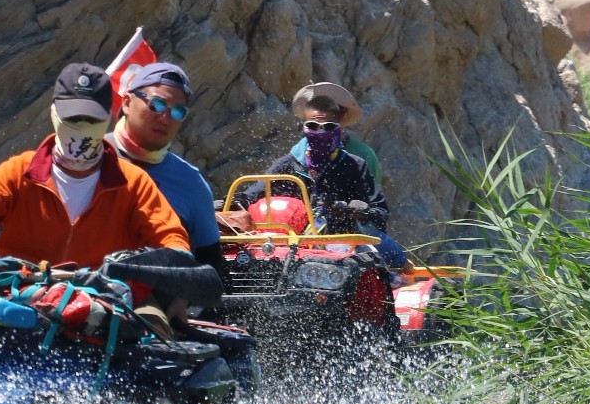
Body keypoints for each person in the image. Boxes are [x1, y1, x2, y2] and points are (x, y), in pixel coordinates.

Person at [0, 63, 188, 266]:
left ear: (108, 118)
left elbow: (169, 236)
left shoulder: (134, 183)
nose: (81, 127)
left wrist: (180, 266)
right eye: (73, 118)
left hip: (101, 309)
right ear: (53, 114)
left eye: (91, 120)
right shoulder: (20, 171)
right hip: (13, 298)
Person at [247, 88, 407, 268]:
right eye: (313, 126)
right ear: (303, 127)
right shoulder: (287, 165)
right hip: (291, 243)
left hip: (343, 241)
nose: (320, 132)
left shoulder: (355, 164)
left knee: (378, 256)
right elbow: (254, 193)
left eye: (329, 127)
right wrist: (235, 202)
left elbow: (380, 211)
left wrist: (359, 212)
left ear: (339, 126)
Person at [107, 60, 227, 272]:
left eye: (178, 112)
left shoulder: (191, 183)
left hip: (153, 300)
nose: (165, 118)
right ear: (127, 102)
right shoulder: (91, 158)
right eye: (157, 104)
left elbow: (212, 269)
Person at [286, 82, 379, 180]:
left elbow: (373, 193)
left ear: (342, 116)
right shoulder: (296, 154)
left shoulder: (363, 155)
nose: (323, 116)